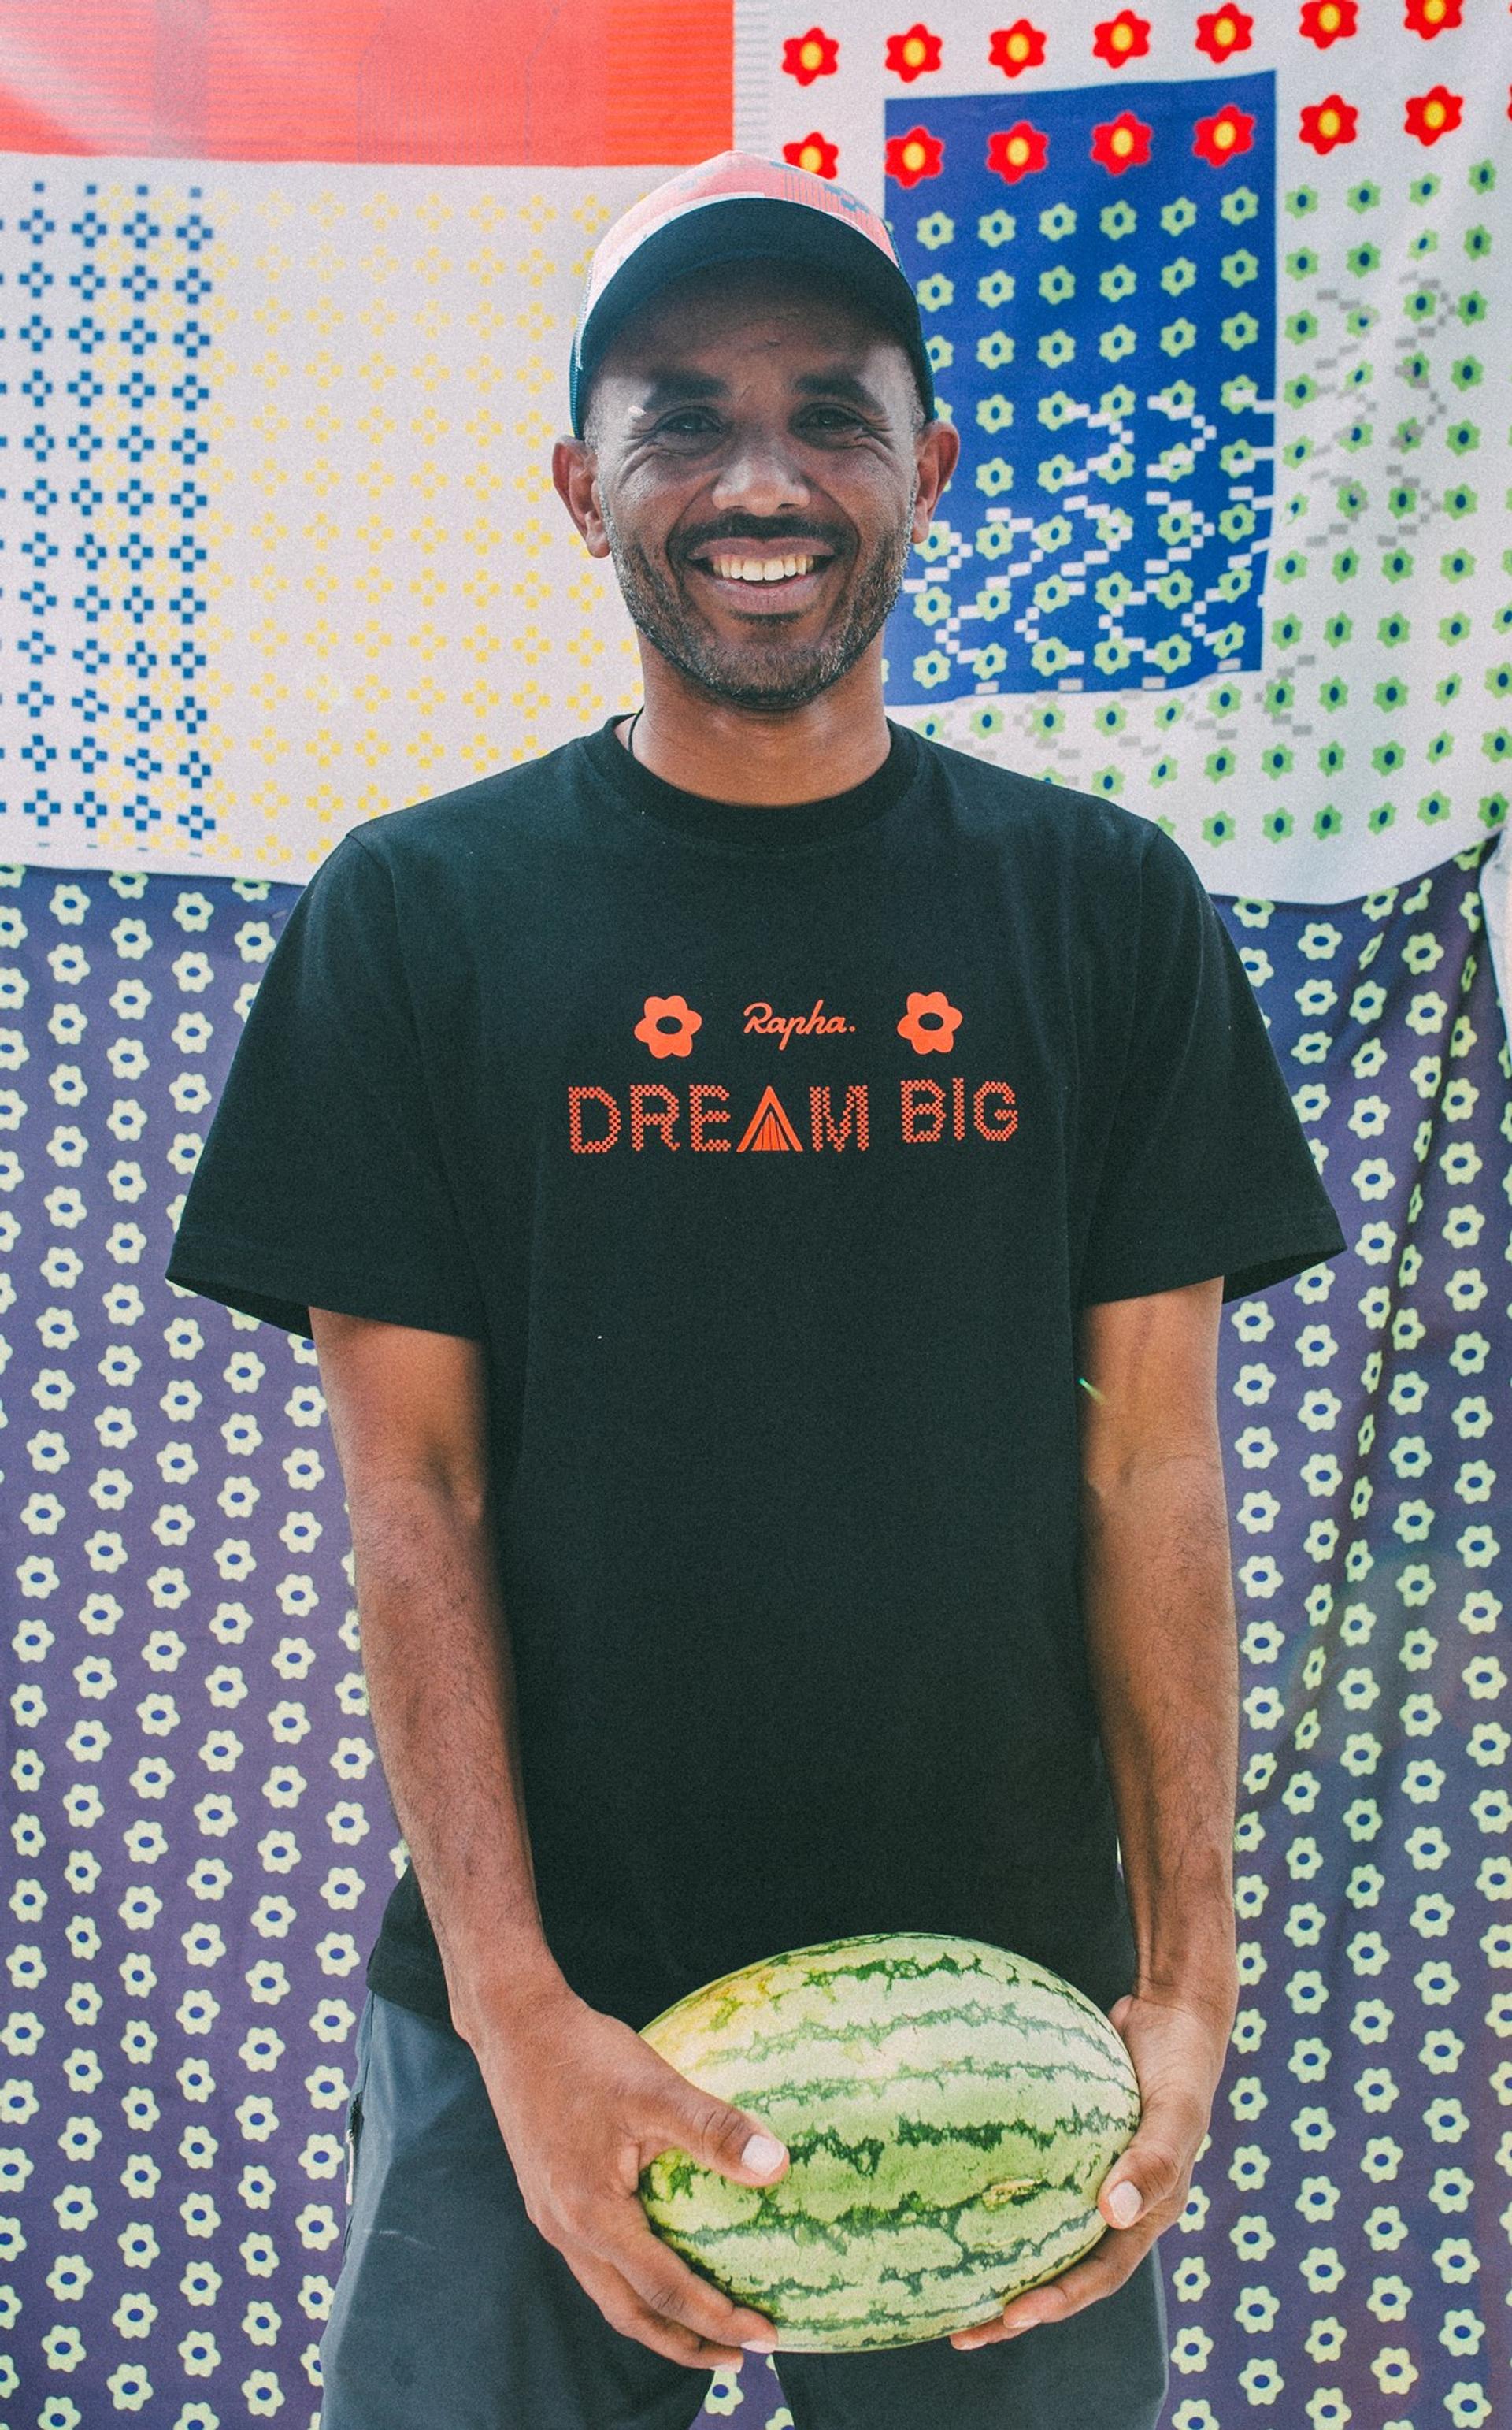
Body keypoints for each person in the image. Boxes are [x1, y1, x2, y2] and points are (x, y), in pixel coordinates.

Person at [166, 150, 1347, 2430]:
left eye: (829, 414)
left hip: (1013, 2019)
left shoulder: (1104, 908)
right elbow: (416, 1498)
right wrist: (513, 2013)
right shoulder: (417, 917)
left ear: (931, 468)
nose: (761, 482)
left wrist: (1190, 1985)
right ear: (577, 488)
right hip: (544, 1996)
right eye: (684, 420)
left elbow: (1153, 1469)